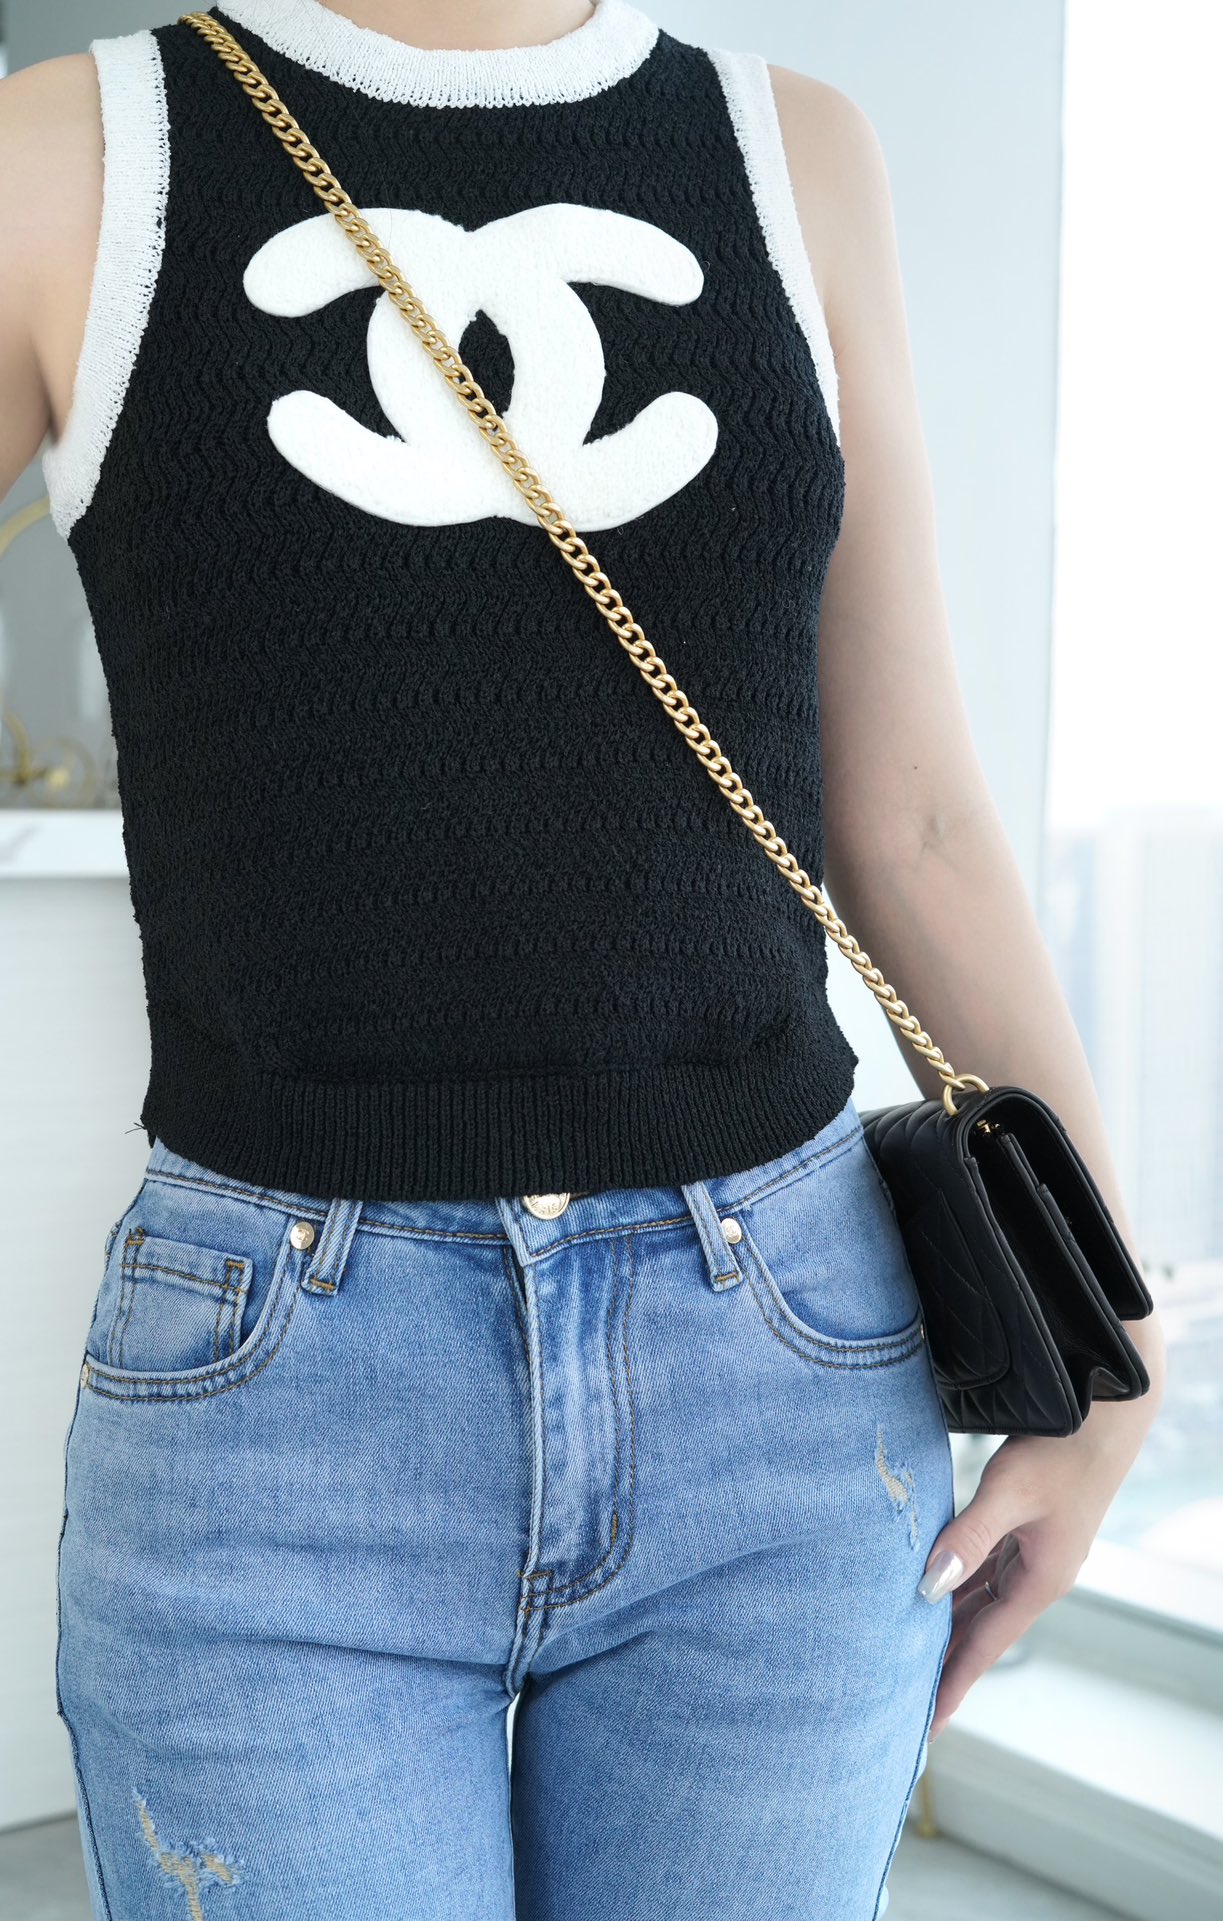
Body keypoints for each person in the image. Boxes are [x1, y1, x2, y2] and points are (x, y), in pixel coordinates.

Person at [0, 2, 1165, 1916]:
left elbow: (915, 818)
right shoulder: (77, 150)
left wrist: (1112, 1344)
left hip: (786, 1365)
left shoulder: (797, 149)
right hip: (281, 1400)